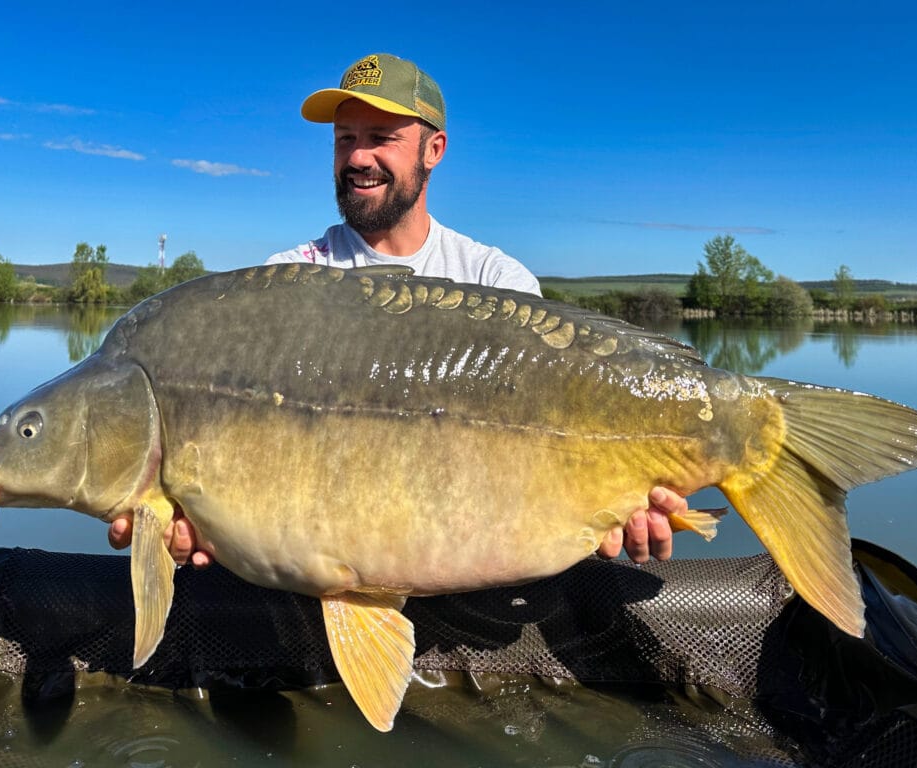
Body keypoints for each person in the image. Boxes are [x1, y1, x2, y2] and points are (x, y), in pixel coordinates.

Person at [108, 53, 685, 567]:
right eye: (343, 139)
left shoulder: (495, 280)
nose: (357, 157)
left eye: (380, 137)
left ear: (433, 150)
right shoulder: (284, 284)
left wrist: (628, 497)